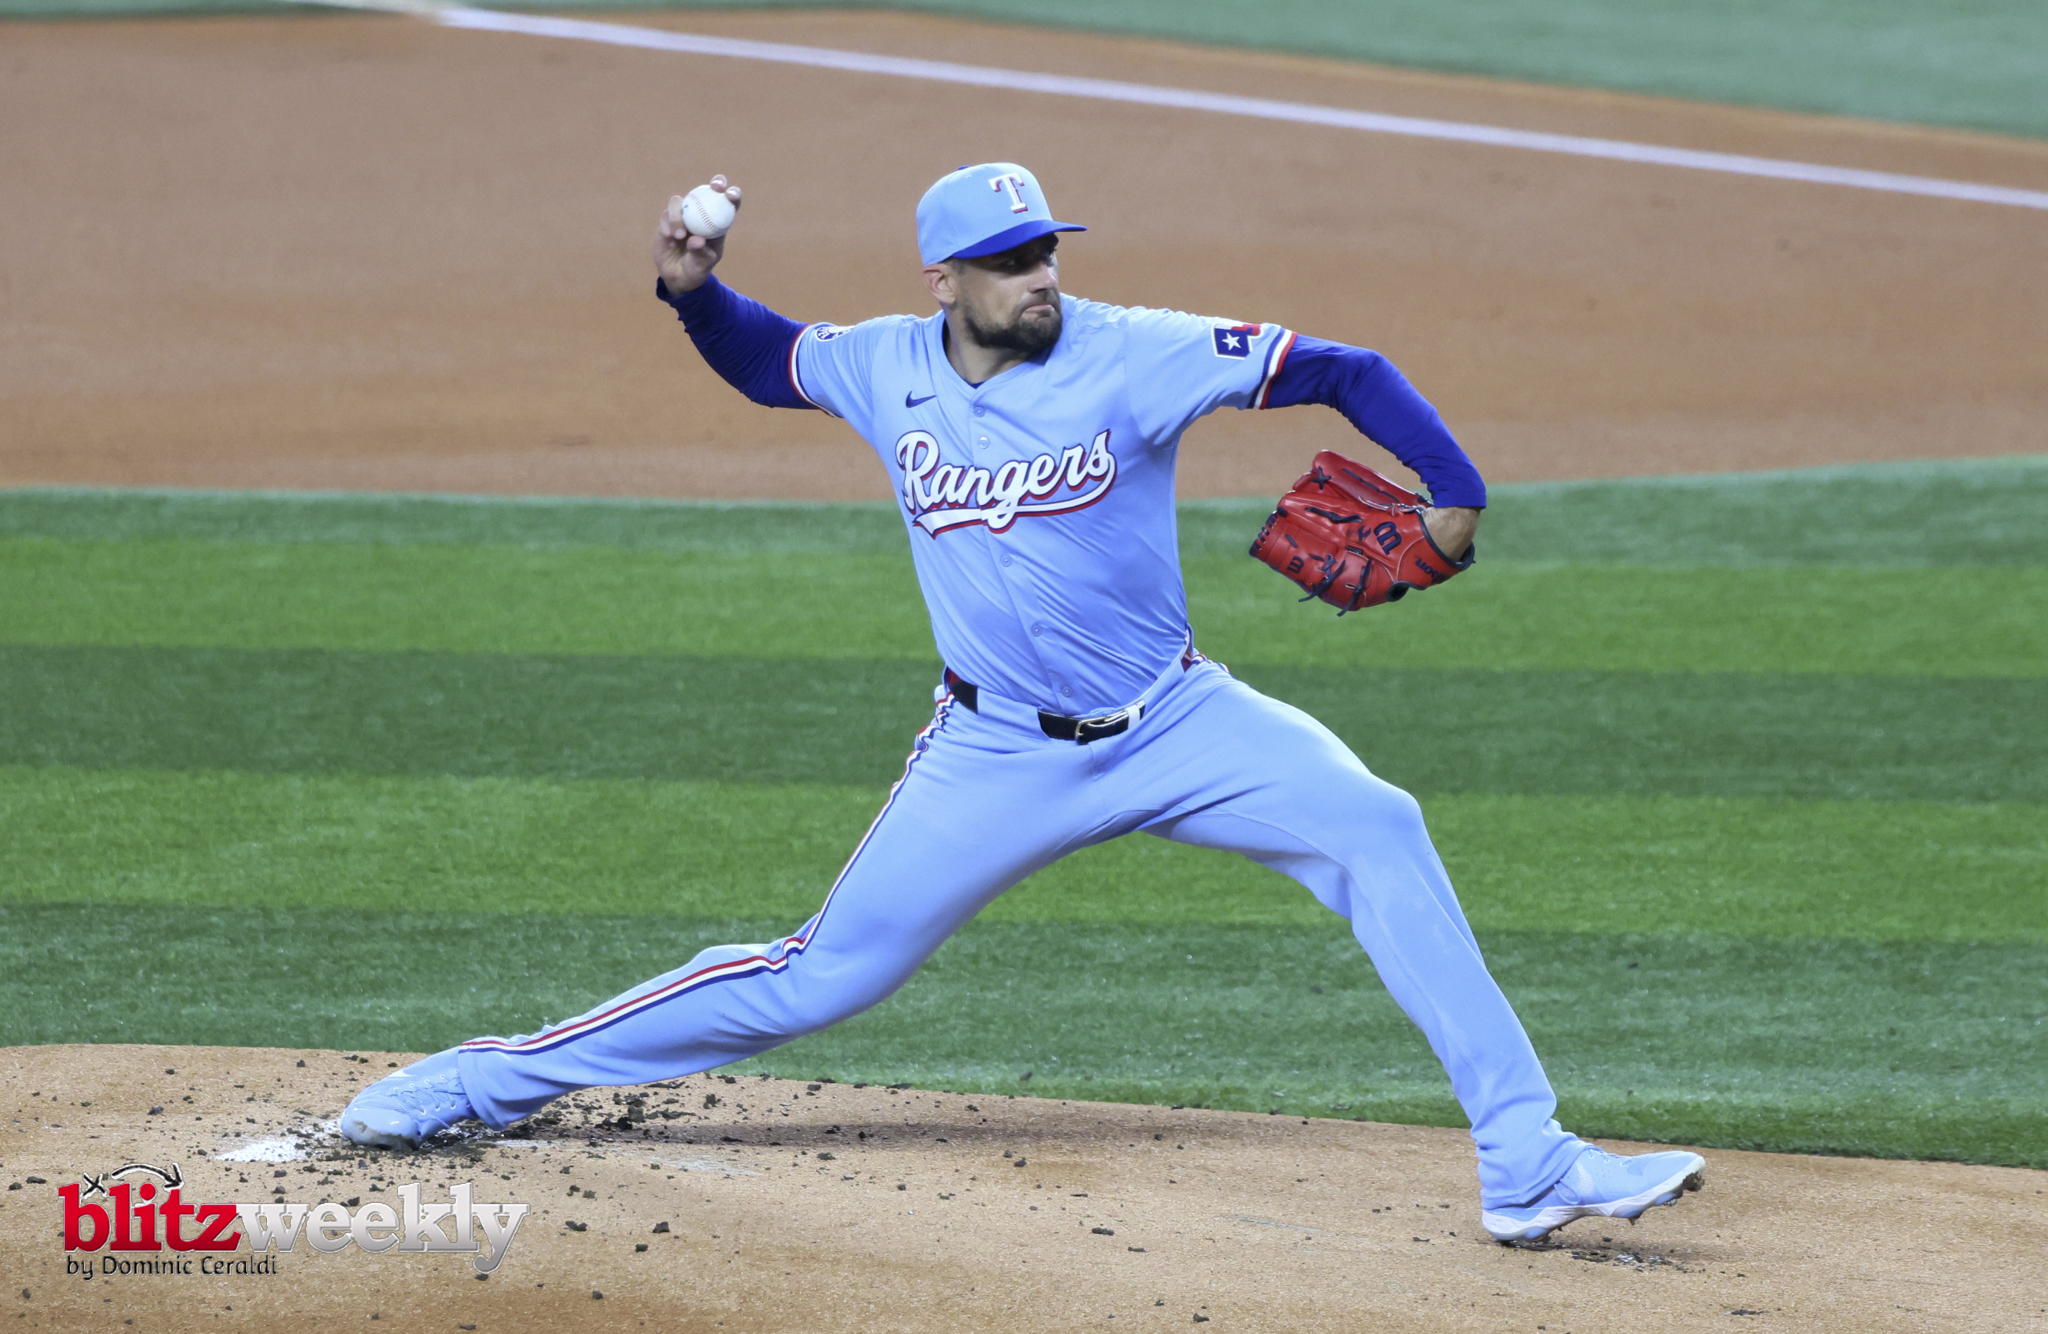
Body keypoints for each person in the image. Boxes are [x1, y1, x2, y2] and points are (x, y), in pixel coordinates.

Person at [341, 163, 1704, 1244]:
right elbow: (770, 359)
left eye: (1046, 250)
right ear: (945, 279)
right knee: (819, 977)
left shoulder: (1136, 351)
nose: (1038, 276)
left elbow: (1344, 370)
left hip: (1178, 723)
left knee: (1378, 824)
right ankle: (484, 1078)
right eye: (1006, 261)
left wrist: (1455, 489)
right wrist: (693, 293)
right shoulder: (886, 363)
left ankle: (1527, 1162)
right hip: (993, 750)